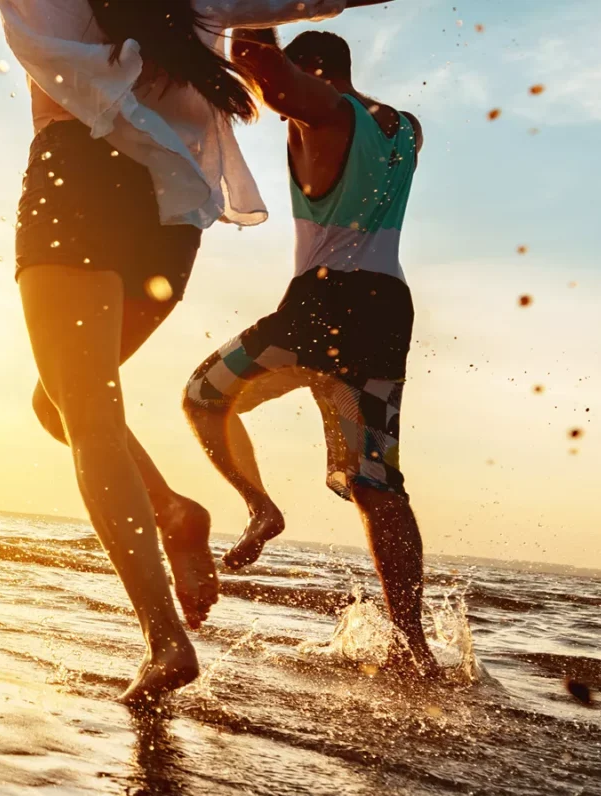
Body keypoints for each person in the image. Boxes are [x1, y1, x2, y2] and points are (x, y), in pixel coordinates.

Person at [0, 0, 394, 705]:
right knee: (57, 401)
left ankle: (163, 638)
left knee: (85, 413)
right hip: (168, 219)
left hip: (77, 181)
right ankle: (175, 514)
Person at [182, 27, 436, 675]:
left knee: (205, 395)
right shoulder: (406, 127)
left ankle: (261, 506)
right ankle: (415, 646)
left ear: (316, 73)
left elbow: (256, 63)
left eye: (294, 89)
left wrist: (255, 15)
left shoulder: (324, 108)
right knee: (376, 481)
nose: (281, 110)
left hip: (323, 306)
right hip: (386, 307)